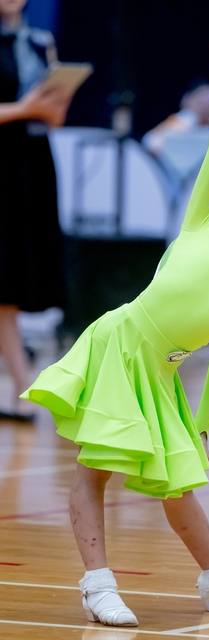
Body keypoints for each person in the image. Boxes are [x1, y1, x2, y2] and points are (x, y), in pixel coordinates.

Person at [21, 28, 209, 627]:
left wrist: (202, 426)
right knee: (94, 468)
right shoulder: (199, 222)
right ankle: (97, 583)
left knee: (178, 483)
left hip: (162, 376)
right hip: (120, 345)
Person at [0, 0, 70, 421]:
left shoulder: (40, 41)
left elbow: (54, 117)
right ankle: (22, 383)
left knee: (11, 281)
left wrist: (52, 103)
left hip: (30, 166)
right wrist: (27, 108)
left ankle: (21, 385)